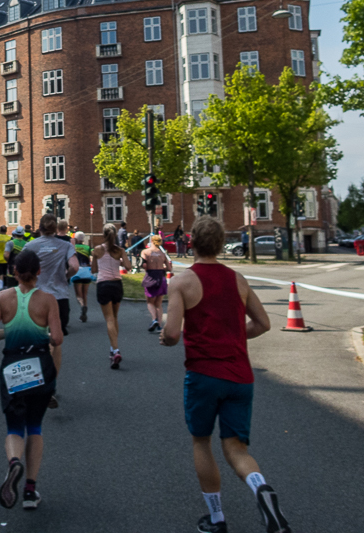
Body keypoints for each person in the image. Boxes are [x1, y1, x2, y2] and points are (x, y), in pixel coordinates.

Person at [160, 216, 290, 533]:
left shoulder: (181, 282)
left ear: (190, 242)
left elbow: (173, 333)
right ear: (220, 245)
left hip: (204, 375)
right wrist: (231, 336)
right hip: (240, 376)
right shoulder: (239, 280)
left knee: (201, 441)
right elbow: (263, 324)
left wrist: (164, 336)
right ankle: (260, 488)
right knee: (236, 448)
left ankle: (217, 518)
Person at [0, 250, 63, 511]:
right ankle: (30, 490)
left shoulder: (2, 298)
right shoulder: (48, 300)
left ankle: (13, 461)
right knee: (35, 427)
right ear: (39, 271)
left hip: (12, 367)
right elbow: (58, 338)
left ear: (14, 271)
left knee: (14, 426)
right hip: (39, 366)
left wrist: (10, 333)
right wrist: (44, 338)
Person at [22, 215, 78, 407]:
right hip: (59, 297)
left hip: (36, 296)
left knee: (35, 340)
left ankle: (33, 382)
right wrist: (65, 276)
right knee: (56, 340)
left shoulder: (31, 246)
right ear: (55, 229)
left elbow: (20, 268)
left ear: (39, 228)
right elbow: (75, 266)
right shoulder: (66, 245)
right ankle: (51, 385)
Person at [91, 224, 131, 369]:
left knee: (109, 319)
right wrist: (121, 260)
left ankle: (115, 350)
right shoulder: (120, 250)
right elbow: (129, 267)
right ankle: (113, 347)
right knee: (114, 317)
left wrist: (96, 259)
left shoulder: (97, 249)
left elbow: (94, 269)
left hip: (103, 284)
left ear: (103, 234)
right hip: (116, 285)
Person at [141, 234, 173, 332]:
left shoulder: (145, 252)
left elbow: (144, 265)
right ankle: (159, 326)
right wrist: (160, 267)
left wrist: (148, 266)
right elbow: (169, 268)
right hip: (161, 278)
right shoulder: (163, 254)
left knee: (150, 302)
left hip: (151, 277)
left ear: (151, 241)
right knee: (158, 304)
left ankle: (154, 319)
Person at [71, 231, 94, 322]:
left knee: (78, 295)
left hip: (77, 272)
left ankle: (82, 306)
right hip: (87, 271)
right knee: (85, 294)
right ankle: (85, 307)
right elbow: (94, 254)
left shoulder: (73, 247)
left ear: (76, 239)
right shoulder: (88, 247)